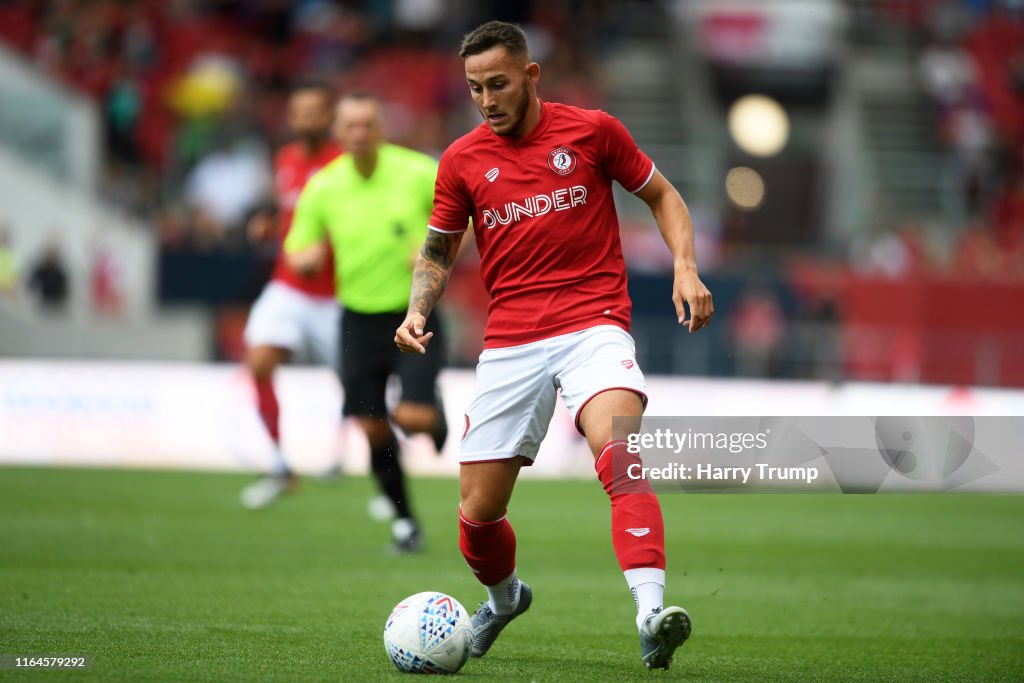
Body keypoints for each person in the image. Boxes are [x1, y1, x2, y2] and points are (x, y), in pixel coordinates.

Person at [394, 21, 713, 670]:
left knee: (619, 454)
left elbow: (664, 195)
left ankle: (651, 613)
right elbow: (437, 248)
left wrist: (685, 265)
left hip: (594, 325)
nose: (486, 98)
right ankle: (505, 598)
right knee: (478, 516)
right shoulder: (460, 160)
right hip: (511, 341)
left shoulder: (593, 131)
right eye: (475, 88)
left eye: (499, 84)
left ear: (531, 75)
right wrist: (417, 307)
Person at [285, 92, 449, 553]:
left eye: (367, 125)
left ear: (381, 129)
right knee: (372, 427)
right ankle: (405, 523)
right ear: (338, 134)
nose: (359, 133)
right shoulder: (324, 185)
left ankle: (430, 415)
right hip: (356, 319)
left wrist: (436, 255)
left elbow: (463, 219)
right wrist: (307, 259)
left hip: (413, 312)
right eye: (350, 126)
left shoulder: (417, 172)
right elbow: (298, 246)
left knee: (412, 418)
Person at [239, 82, 343, 509]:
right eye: (299, 112)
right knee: (259, 361)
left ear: (328, 116)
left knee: (360, 386)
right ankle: (281, 463)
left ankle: (359, 464)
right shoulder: (285, 160)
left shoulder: (344, 163)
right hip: (289, 287)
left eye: (315, 111)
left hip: (339, 294)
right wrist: (269, 228)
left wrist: (326, 248)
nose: (306, 120)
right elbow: (292, 218)